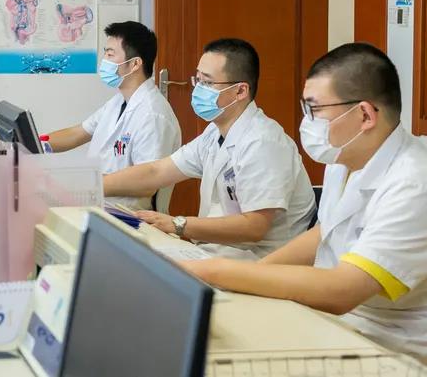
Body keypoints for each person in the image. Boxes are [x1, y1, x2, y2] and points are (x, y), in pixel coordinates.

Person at [183, 43, 427, 376]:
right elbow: (324, 232)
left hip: (394, 354)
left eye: (315, 109)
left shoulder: (415, 186)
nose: (307, 122)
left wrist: (215, 272)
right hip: (338, 328)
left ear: (365, 115)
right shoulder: (345, 160)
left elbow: (343, 290)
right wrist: (248, 277)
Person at [103, 38, 314, 259]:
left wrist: (178, 224)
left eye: (208, 83)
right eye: (198, 80)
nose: (198, 90)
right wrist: (96, 186)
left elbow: (254, 227)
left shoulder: (264, 142)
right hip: (218, 252)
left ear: (240, 91)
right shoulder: (214, 133)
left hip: (260, 260)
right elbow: (157, 171)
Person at [46, 21, 180, 211]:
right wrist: (33, 144)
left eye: (110, 54)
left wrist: (86, 184)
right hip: (99, 204)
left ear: (135, 64)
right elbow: (77, 133)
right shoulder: (118, 101)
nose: (104, 61)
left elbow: (147, 184)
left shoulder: (153, 115)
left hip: (129, 216)